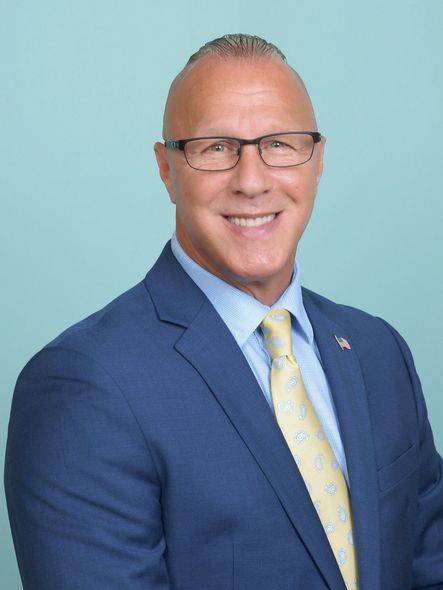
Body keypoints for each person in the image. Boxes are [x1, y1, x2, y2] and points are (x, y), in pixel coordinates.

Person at [5, 34, 443, 590]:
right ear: (167, 169)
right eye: (215, 147)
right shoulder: (84, 386)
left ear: (318, 160)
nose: (253, 180)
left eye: (280, 144)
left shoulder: (379, 352)